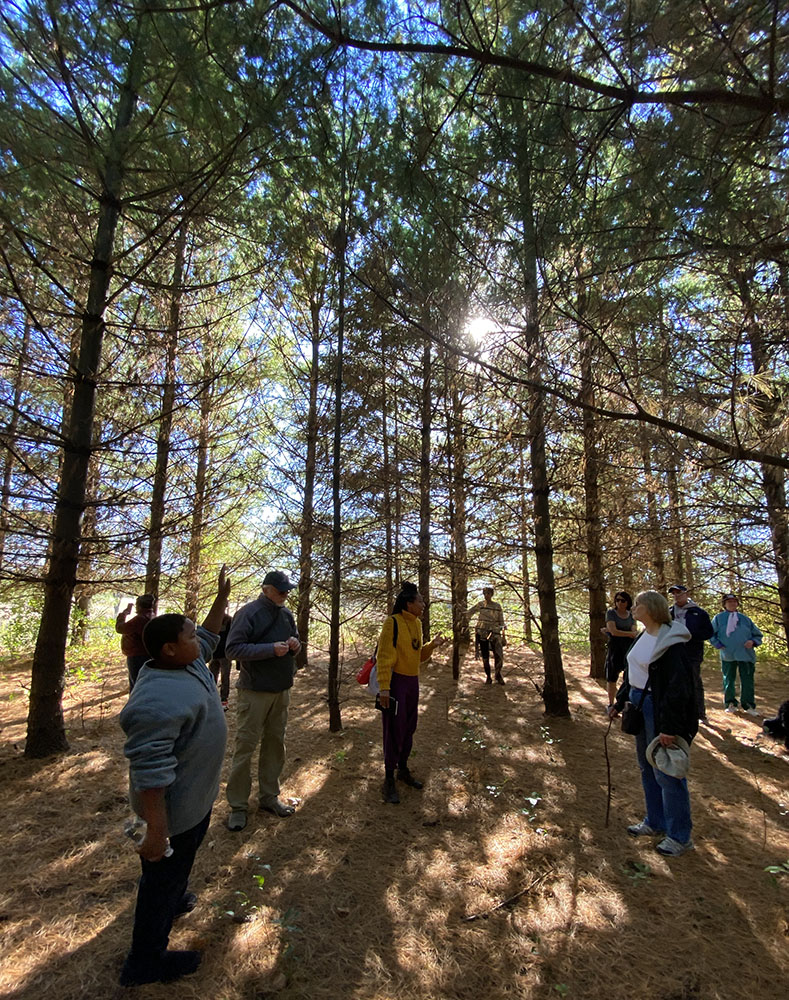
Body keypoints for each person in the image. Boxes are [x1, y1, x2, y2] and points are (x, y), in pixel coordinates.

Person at [118, 565, 231, 987]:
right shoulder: (156, 699)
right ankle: (144, 963)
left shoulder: (185, 661)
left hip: (193, 804)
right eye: (187, 637)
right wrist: (156, 833)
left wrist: (222, 596)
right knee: (158, 880)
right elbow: (149, 773)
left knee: (174, 872)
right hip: (170, 813)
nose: (197, 641)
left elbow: (209, 633)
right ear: (168, 649)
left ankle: (175, 891)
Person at [609, 590, 697, 857]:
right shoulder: (643, 636)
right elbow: (633, 674)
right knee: (647, 767)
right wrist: (619, 702)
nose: (633, 608)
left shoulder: (672, 643)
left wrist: (669, 727)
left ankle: (680, 837)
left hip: (659, 709)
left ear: (652, 608)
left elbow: (677, 689)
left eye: (638, 605)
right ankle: (655, 822)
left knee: (667, 772)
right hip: (637, 702)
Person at [224, 570, 301, 831]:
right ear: (266, 589)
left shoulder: (287, 614)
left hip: (281, 690)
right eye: (281, 590)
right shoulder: (249, 613)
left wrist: (294, 644)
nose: (285, 594)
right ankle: (238, 806)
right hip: (254, 691)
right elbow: (232, 649)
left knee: (275, 745)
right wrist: (270, 650)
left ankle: (269, 797)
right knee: (245, 748)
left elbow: (297, 641)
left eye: (287, 590)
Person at [377, 581, 446, 804]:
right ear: (409, 603)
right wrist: (385, 688)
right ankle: (388, 779)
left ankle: (402, 769)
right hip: (396, 684)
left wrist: (432, 646)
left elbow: (418, 655)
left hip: (412, 682)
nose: (423, 604)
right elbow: (384, 658)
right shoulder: (392, 623)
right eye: (420, 601)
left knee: (409, 727)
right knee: (393, 730)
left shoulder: (416, 624)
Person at [710, 594, 763, 715]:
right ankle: (730, 703)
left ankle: (748, 705)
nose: (732, 604)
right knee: (728, 679)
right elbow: (711, 633)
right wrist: (717, 644)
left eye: (734, 602)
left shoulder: (745, 619)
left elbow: (757, 635)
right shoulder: (719, 618)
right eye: (729, 602)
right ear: (724, 604)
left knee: (747, 680)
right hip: (728, 654)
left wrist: (753, 642)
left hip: (746, 654)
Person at [668, 584, 713, 722]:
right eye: (674, 594)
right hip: (673, 652)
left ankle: (699, 713)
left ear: (686, 594)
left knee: (694, 682)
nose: (676, 596)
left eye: (679, 593)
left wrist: (690, 635)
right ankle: (677, 712)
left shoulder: (699, 613)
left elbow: (708, 632)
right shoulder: (669, 612)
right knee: (673, 682)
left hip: (692, 654)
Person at [604, 591, 639, 708]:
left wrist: (619, 632)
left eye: (622, 600)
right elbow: (613, 631)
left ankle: (624, 701)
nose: (619, 602)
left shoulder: (631, 615)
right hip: (614, 647)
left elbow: (634, 631)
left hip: (628, 648)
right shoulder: (611, 613)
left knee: (628, 675)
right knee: (612, 676)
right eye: (617, 600)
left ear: (627, 602)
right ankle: (610, 703)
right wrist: (628, 633)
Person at [116, 594, 156, 691]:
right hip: (147, 654)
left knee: (136, 684)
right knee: (142, 681)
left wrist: (124, 613)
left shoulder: (140, 619)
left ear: (139, 606)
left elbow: (120, 628)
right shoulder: (152, 616)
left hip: (137, 656)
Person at [467, 585, 506, 684]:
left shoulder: (497, 606)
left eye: (488, 593)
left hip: (495, 633)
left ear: (492, 594)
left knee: (499, 656)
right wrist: (462, 612)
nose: (486, 595)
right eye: (484, 593)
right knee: (485, 656)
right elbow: (470, 612)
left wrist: (503, 635)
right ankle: (488, 676)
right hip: (482, 633)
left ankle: (498, 675)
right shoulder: (480, 605)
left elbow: (501, 621)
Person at [209, 612, 233, 710]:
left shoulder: (229, 621)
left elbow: (232, 636)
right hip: (213, 654)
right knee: (211, 678)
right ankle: (211, 698)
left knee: (225, 678)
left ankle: (224, 700)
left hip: (225, 655)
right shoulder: (213, 620)